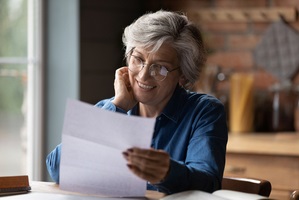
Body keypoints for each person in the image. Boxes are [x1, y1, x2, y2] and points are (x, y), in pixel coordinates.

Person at [46, 10, 228, 195]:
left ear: (182, 74)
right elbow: (57, 169)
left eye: (160, 68)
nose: (143, 75)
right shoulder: (112, 108)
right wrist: (117, 108)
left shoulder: (204, 112)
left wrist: (167, 173)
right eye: (138, 59)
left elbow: (208, 183)